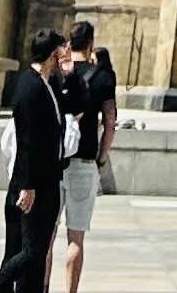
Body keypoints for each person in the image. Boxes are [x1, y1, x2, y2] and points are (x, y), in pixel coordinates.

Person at [0, 27, 67, 293]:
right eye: (61, 52)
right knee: (30, 251)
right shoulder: (30, 87)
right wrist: (28, 185)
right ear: (52, 54)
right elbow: (27, 138)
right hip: (33, 184)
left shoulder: (47, 84)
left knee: (31, 256)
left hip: (47, 181)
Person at [59, 17, 119, 293]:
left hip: (55, 161)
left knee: (45, 237)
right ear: (91, 43)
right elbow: (110, 122)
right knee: (76, 238)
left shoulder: (58, 72)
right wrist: (102, 156)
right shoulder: (103, 76)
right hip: (84, 161)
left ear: (70, 42)